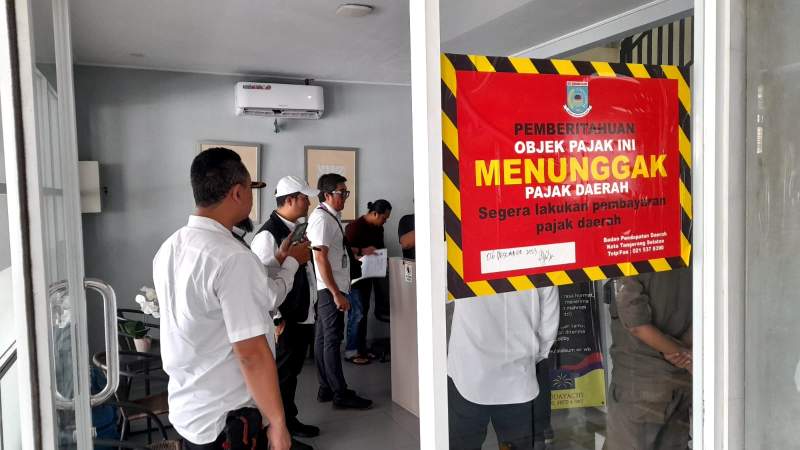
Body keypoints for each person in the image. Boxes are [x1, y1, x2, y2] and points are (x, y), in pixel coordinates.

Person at [153, 147, 310, 450]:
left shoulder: (169, 248)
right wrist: (277, 422)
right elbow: (250, 352)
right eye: (251, 189)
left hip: (190, 408)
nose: (252, 198)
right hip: (226, 416)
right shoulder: (231, 257)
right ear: (237, 193)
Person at [250, 175, 320, 444]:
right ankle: (278, 432)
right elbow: (263, 283)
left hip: (300, 311)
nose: (308, 202)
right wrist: (278, 318)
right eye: (305, 197)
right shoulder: (268, 235)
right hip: (285, 318)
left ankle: (290, 421)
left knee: (292, 373)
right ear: (291, 200)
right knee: (282, 375)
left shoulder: (295, 228)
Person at [447, 287, 559, 450]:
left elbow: (439, 293)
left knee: (464, 443)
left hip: (469, 372)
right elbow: (549, 319)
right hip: (518, 377)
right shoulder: (537, 261)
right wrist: (531, 357)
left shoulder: (458, 261)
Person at [604, 268, 692, 450]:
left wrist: (676, 352)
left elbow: (636, 324)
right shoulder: (692, 246)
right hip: (680, 383)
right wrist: (687, 355)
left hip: (639, 384)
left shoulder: (633, 248)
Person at [306, 173, 373, 410]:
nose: (344, 197)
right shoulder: (322, 220)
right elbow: (319, 257)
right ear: (326, 195)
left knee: (324, 338)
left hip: (330, 287)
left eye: (346, 192)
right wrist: (336, 293)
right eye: (341, 193)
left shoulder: (330, 217)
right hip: (329, 289)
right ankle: (339, 393)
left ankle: (327, 387)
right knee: (331, 340)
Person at [344, 199, 392, 364]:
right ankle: (351, 351)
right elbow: (344, 250)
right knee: (356, 314)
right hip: (355, 278)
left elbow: (380, 248)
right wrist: (362, 251)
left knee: (363, 312)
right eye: (384, 218)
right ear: (375, 213)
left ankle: (361, 350)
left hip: (370, 275)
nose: (384, 221)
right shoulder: (354, 227)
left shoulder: (379, 229)